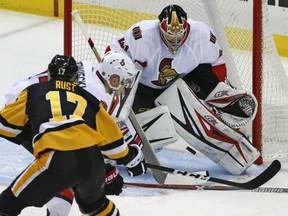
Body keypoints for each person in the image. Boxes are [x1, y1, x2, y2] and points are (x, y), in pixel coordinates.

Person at [105, 4, 260, 175]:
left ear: (187, 28)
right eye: (169, 37)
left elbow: (217, 63)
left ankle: (221, 105)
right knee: (151, 132)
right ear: (160, 28)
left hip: (182, 81)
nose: (175, 42)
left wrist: (215, 89)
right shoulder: (141, 34)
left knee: (195, 107)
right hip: (142, 87)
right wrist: (120, 88)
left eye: (179, 36)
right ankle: (110, 150)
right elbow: (113, 53)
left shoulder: (202, 36)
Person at [0, 54, 146, 216]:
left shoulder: (88, 67)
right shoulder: (92, 95)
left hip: (41, 116)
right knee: (93, 202)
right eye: (123, 82)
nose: (124, 87)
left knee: (17, 198)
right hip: (24, 110)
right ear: (112, 78)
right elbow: (103, 140)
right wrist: (122, 161)